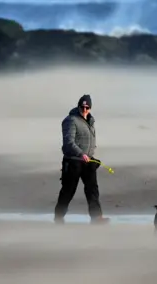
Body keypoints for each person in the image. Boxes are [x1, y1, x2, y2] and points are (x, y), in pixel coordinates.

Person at [54, 94, 110, 225]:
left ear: (90, 108)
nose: (85, 109)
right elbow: (68, 142)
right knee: (68, 190)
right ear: (78, 106)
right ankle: (58, 216)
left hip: (88, 162)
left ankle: (97, 217)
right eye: (82, 106)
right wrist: (80, 154)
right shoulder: (70, 120)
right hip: (73, 161)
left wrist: (90, 155)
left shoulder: (90, 121)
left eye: (87, 107)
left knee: (92, 189)